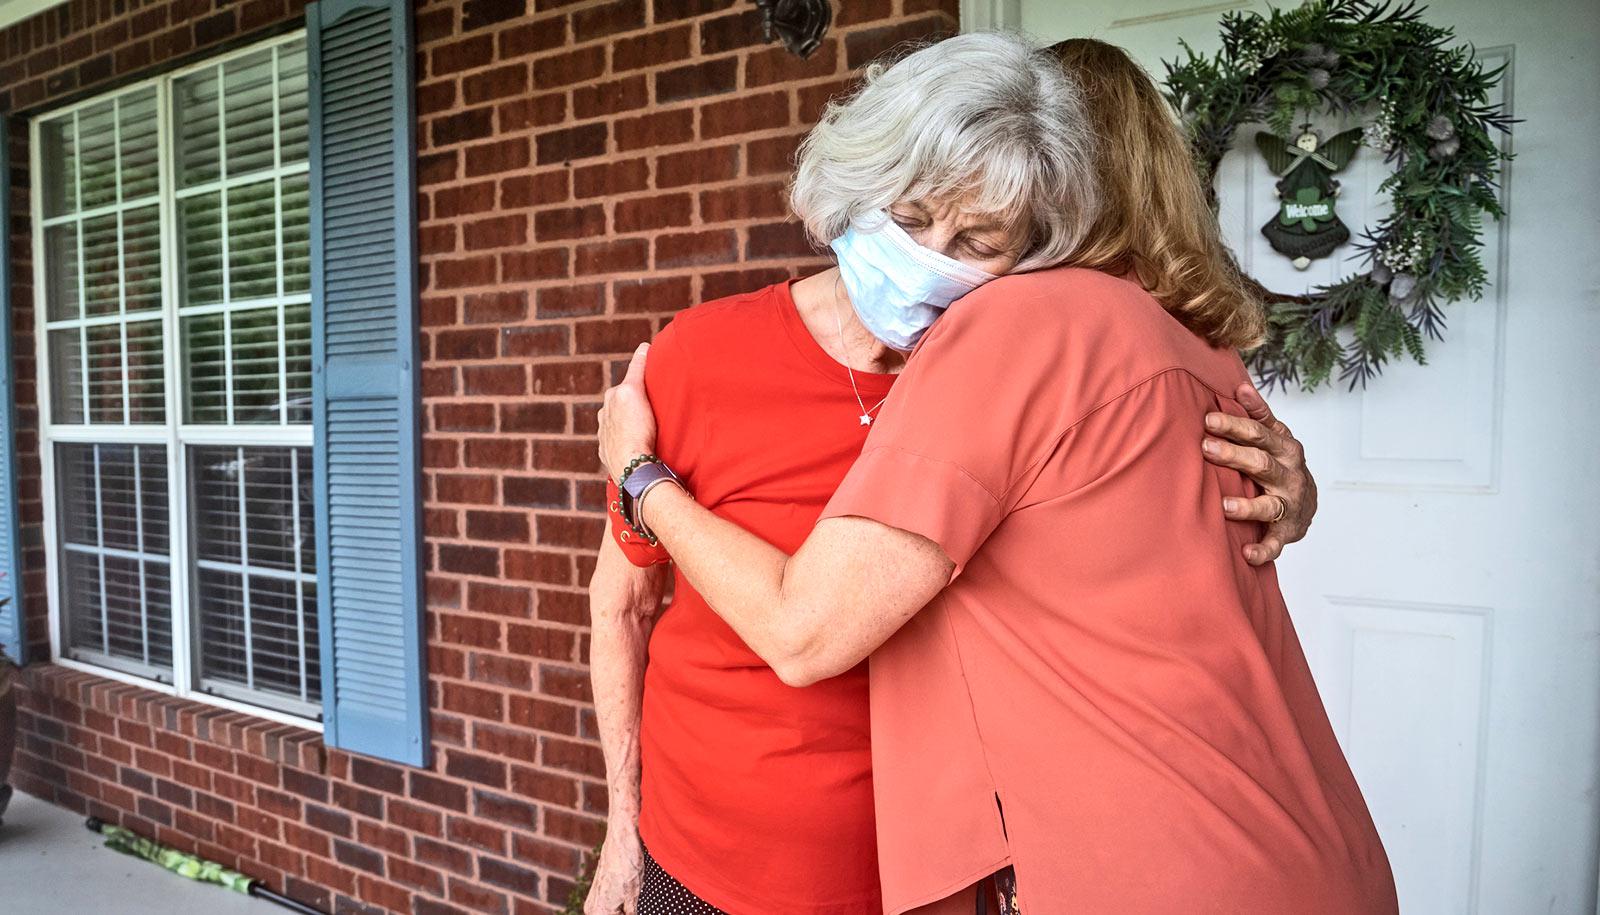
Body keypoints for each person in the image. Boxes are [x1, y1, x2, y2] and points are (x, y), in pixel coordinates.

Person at [593, 36, 1392, 915]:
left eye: (978, 237)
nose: (931, 257)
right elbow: (622, 606)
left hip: (977, 876)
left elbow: (803, 629)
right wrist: (621, 831)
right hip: (714, 859)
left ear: (1049, 233)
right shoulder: (700, 355)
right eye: (911, 216)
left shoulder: (1013, 345)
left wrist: (639, 475)